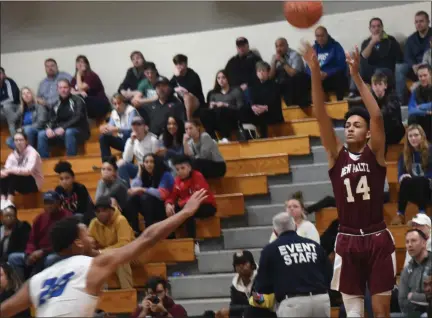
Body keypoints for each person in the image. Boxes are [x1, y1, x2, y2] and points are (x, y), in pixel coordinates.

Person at [0, 189, 208, 317]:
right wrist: (186, 212)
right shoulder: (90, 266)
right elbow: (147, 238)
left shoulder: (36, 280)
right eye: (86, 235)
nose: (92, 238)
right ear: (78, 244)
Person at [301, 41, 394, 317]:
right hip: (347, 240)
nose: (350, 128)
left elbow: (376, 115)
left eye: (356, 125)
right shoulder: (336, 156)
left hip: (377, 238)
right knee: (353, 314)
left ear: (367, 133)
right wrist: (315, 72)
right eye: (347, 125)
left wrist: (356, 77)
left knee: (381, 313)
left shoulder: (375, 154)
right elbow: (320, 116)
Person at [250, 212, 331, 317]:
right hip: (321, 299)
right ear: (296, 227)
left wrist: (254, 298)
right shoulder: (314, 246)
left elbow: (262, 286)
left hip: (293, 304)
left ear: (275, 231)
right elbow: (329, 275)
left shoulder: (269, 250)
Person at [7, 191, 71, 281]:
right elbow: (32, 239)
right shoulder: (40, 218)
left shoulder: (67, 217)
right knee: (14, 258)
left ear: (59, 203)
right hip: (38, 253)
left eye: (51, 202)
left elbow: (64, 243)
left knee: (50, 259)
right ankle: (21, 287)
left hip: (57, 252)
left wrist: (43, 252)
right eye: (46, 203)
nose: (49, 205)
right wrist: (30, 253)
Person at [165, 155, 217, 241]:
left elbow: (199, 195)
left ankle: (192, 241)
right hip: (187, 205)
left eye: (182, 168)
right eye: (177, 169)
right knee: (173, 210)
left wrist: (180, 204)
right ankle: (172, 236)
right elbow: (172, 196)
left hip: (206, 205)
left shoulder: (197, 176)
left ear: (189, 167)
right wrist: (168, 204)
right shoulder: (177, 180)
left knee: (188, 212)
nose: (180, 171)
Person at [88, 196, 135, 289]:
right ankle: (100, 296)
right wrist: (92, 244)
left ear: (111, 210)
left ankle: (128, 294)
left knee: (120, 259)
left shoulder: (120, 220)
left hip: (133, 253)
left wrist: (103, 252)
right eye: (98, 211)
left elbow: (124, 244)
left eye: (104, 210)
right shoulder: (94, 223)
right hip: (110, 254)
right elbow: (89, 240)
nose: (101, 213)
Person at [37, 79, 90, 158]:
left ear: (69, 89)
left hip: (79, 130)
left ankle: (71, 160)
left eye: (65, 87)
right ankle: (44, 161)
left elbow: (78, 117)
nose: (63, 90)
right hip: (60, 131)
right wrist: (48, 128)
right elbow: (51, 119)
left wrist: (63, 127)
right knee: (41, 134)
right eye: (60, 88)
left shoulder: (78, 100)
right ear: (57, 89)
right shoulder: (56, 103)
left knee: (69, 132)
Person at [391, 124, 432, 225]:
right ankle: (400, 214)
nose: (413, 138)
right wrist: (403, 177)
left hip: (429, 188)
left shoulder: (430, 150)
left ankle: (422, 214)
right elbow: (401, 173)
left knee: (420, 180)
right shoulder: (405, 154)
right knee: (406, 180)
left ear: (422, 136)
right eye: (410, 136)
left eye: (416, 135)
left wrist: (419, 179)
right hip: (415, 189)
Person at [125, 154, 174, 233]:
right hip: (149, 208)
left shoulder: (165, 174)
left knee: (145, 197)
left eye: (152, 162)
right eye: (146, 162)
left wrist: (142, 189)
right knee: (132, 199)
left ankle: (149, 230)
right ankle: (135, 230)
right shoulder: (145, 174)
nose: (149, 164)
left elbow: (161, 194)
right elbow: (133, 190)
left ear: (156, 163)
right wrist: (139, 172)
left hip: (165, 208)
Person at [241, 61, 284, 139]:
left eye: (263, 70)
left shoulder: (274, 85)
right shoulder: (254, 87)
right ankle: (247, 135)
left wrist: (265, 108)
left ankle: (262, 137)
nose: (261, 73)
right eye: (259, 71)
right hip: (258, 113)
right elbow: (252, 100)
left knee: (264, 115)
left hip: (272, 112)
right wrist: (253, 106)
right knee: (243, 109)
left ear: (268, 73)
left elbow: (275, 102)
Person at [1, 130, 44, 205]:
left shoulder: (33, 153)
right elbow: (6, 168)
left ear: (26, 141)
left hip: (34, 183)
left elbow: (28, 171)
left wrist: (10, 170)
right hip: (19, 182)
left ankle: (10, 202)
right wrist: (3, 172)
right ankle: (3, 199)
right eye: (16, 140)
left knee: (12, 174)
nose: (18, 142)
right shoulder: (12, 155)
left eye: (21, 140)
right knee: (4, 175)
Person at [200, 70, 244, 142]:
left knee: (222, 109)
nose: (221, 80)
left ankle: (225, 136)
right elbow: (210, 111)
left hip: (232, 119)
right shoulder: (213, 93)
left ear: (228, 78)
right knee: (203, 112)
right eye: (218, 78)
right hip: (217, 119)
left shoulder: (236, 91)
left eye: (223, 77)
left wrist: (225, 105)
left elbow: (240, 109)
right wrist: (211, 106)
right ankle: (213, 137)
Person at [118, 116, 159, 187]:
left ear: (145, 127)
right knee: (121, 164)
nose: (136, 127)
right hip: (139, 168)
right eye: (134, 124)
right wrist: (131, 142)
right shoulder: (130, 140)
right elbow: (127, 159)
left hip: (150, 168)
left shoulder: (153, 140)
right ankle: (126, 191)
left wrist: (145, 166)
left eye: (139, 124)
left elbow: (156, 160)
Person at [399, 229, 431, 316]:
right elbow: (402, 301)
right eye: (407, 242)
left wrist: (413, 296)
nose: (409, 245)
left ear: (424, 243)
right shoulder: (406, 270)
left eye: (413, 241)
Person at [270, 37, 309, 107]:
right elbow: (270, 77)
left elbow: (294, 74)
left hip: (294, 83)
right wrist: (273, 63)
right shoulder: (275, 57)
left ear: (287, 46)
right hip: (281, 83)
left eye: (281, 46)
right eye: (276, 46)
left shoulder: (294, 55)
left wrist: (283, 62)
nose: (278, 49)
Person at [54, 161, 95, 225]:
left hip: (84, 217)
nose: (64, 181)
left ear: (73, 178)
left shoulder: (80, 188)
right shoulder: (58, 190)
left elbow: (83, 209)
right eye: (61, 179)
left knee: (78, 216)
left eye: (67, 178)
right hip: (67, 218)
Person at [370, 72, 405, 147]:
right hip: (379, 132)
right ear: (372, 87)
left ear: (385, 86)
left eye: (380, 84)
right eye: (375, 85)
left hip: (394, 131)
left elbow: (388, 112)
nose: (377, 88)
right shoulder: (370, 98)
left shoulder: (392, 97)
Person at [99, 93, 138, 160]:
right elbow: (110, 128)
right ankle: (107, 163)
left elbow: (130, 129)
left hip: (134, 140)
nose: (117, 106)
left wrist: (116, 129)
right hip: (122, 140)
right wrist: (104, 129)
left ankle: (127, 161)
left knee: (127, 134)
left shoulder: (131, 111)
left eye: (119, 103)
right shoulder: (114, 113)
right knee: (103, 137)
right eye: (115, 104)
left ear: (124, 103)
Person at [170, 54, 205, 120]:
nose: (178, 66)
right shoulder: (176, 76)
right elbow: (168, 87)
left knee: (187, 96)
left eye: (180, 64)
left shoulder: (192, 75)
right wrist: (175, 89)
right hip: (183, 103)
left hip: (197, 102)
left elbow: (187, 90)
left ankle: (189, 121)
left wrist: (178, 77)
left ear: (186, 64)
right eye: (176, 64)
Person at [407, 64, 432, 142]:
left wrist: (422, 106)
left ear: (430, 75)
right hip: (424, 116)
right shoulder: (416, 91)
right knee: (412, 118)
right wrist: (425, 112)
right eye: (420, 76)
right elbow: (411, 110)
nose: (423, 78)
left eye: (425, 75)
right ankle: (416, 143)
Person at [0, 67, 20, 137]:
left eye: (0, 73)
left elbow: (12, 98)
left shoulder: (8, 81)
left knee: (7, 106)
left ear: (4, 75)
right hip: (2, 108)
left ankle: (14, 135)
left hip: (15, 106)